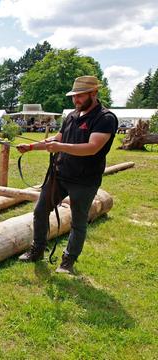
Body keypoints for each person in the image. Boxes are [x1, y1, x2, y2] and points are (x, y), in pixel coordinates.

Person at [16, 75, 118, 274]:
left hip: (85, 180)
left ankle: (68, 261)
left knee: (78, 221)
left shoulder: (105, 118)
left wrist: (59, 146)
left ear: (94, 93)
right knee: (40, 210)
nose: (76, 100)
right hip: (60, 175)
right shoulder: (71, 116)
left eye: (80, 96)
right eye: (74, 96)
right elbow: (57, 138)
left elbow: (92, 148)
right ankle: (37, 250)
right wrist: (30, 147)